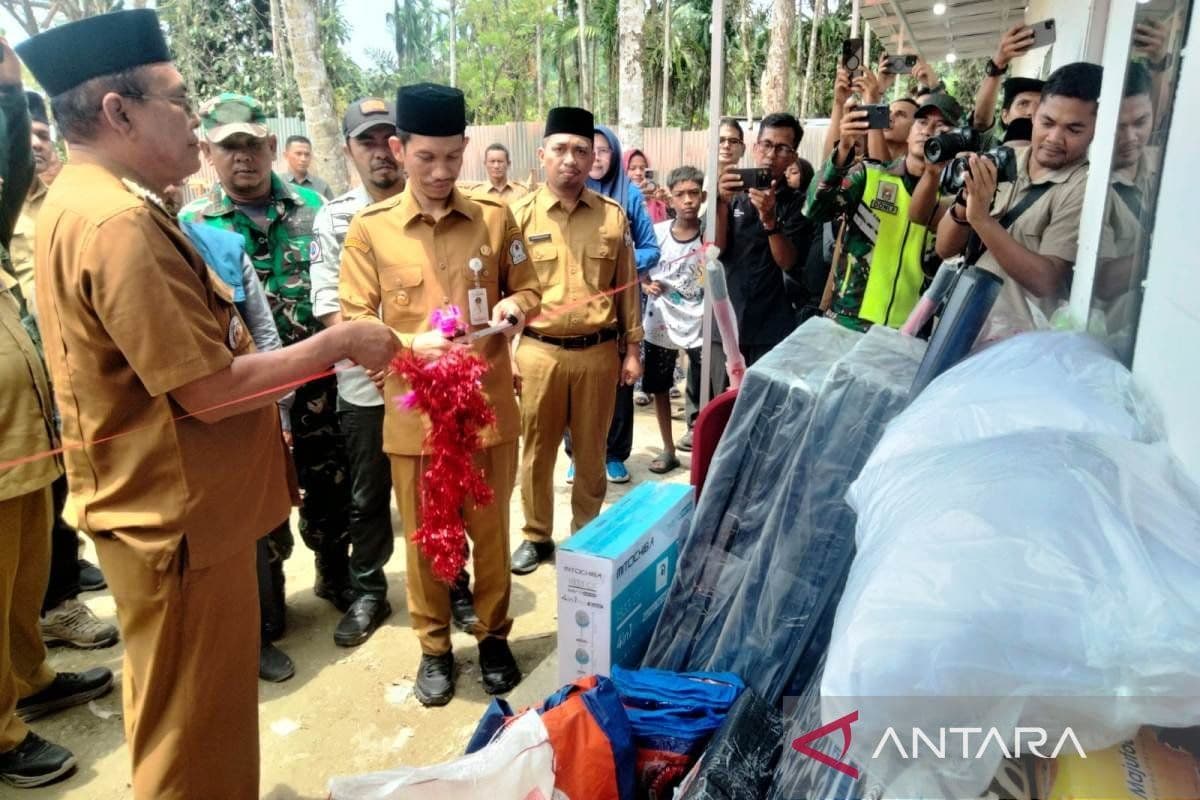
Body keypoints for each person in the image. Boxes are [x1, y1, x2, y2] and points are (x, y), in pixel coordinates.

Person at [16, 11, 398, 796]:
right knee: (196, 732)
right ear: (119, 111)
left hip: (152, 509)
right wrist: (337, 344)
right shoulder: (118, 222)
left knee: (172, 714)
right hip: (179, 523)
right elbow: (210, 392)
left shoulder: (76, 200)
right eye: (178, 101)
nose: (193, 122)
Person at [339, 83, 540, 706]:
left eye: (453, 157)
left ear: (465, 150)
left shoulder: (493, 216)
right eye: (426, 157)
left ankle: (493, 637)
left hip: (486, 413)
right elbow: (352, 322)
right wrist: (406, 342)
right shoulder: (370, 230)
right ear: (399, 150)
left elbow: (529, 289)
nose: (440, 171)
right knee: (429, 540)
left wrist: (513, 305)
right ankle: (433, 649)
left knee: (491, 533)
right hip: (416, 418)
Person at [180, 93, 357, 634]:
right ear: (209, 152)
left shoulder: (311, 208)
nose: (243, 157)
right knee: (261, 499)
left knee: (331, 483)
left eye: (252, 145)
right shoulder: (193, 226)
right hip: (247, 394)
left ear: (271, 145)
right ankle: (269, 596)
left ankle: (334, 571)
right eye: (229, 147)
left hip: (319, 383)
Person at [0, 35, 115, 790]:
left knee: (23, 575)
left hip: (21, 437)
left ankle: (28, 676)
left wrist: (12, 89)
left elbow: (11, 171)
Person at [509, 106, 643, 576]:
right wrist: (506, 353)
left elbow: (627, 286)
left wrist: (632, 349)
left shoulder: (612, 217)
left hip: (598, 355)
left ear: (593, 159)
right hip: (538, 352)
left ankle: (586, 534)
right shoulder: (517, 217)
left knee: (591, 452)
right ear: (542, 154)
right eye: (561, 149)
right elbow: (505, 290)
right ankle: (536, 535)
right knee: (536, 451)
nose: (571, 159)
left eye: (582, 151)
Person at [310, 97, 419, 647]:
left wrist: (408, 366)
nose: (380, 153)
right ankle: (369, 590)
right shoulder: (333, 218)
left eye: (386, 140)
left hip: (429, 387)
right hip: (364, 388)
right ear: (350, 150)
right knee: (367, 498)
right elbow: (330, 304)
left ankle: (452, 581)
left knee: (438, 490)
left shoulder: (433, 208)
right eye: (366, 142)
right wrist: (379, 364)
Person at [935, 62, 1102, 340]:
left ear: (1096, 130)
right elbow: (944, 247)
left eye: (1074, 129)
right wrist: (966, 203)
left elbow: (1045, 280)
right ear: (1034, 116)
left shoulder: (1083, 188)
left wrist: (982, 220)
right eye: (1047, 123)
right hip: (959, 329)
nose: (1054, 138)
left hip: (1015, 350)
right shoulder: (1003, 160)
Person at [807, 93, 958, 331]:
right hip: (849, 321)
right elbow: (814, 209)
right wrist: (844, 146)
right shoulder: (870, 175)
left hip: (910, 332)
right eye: (921, 122)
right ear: (909, 133)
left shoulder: (954, 200)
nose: (928, 131)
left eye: (942, 127)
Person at [570, 124, 659, 485]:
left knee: (620, 381)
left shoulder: (630, 196)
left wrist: (619, 264)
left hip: (621, 307)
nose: (597, 156)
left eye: (604, 150)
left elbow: (652, 249)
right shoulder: (569, 193)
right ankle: (578, 453)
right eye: (590, 149)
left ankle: (614, 454)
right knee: (576, 383)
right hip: (576, 308)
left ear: (615, 154)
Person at [712, 112, 811, 380]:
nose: (771, 154)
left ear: (793, 156)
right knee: (717, 409)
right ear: (755, 148)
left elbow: (788, 261)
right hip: (726, 320)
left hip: (771, 325)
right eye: (766, 144)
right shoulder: (733, 194)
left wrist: (769, 220)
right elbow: (716, 250)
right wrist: (720, 202)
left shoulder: (798, 203)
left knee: (761, 408)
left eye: (781, 148)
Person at [643, 166, 706, 474]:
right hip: (660, 321)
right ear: (669, 197)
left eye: (694, 193)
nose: (688, 201)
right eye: (680, 194)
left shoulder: (712, 236)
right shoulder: (656, 234)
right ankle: (668, 448)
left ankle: (703, 447)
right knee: (659, 384)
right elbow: (638, 265)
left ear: (703, 196)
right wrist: (645, 284)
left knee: (705, 384)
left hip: (701, 324)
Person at [973, 24, 1047, 146]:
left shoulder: (1058, 159)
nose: (1032, 112)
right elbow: (981, 122)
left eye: (1041, 106)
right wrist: (998, 63)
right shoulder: (991, 152)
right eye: (1023, 104)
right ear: (1005, 116)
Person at [283, 134, 334, 199]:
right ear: (285, 155)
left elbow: (332, 208)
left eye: (307, 154)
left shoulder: (322, 186)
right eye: (298, 154)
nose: (303, 159)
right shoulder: (277, 184)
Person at [626, 148, 669, 223]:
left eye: (642, 168)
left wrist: (668, 205)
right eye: (632, 168)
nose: (638, 173)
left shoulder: (656, 197)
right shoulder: (618, 198)